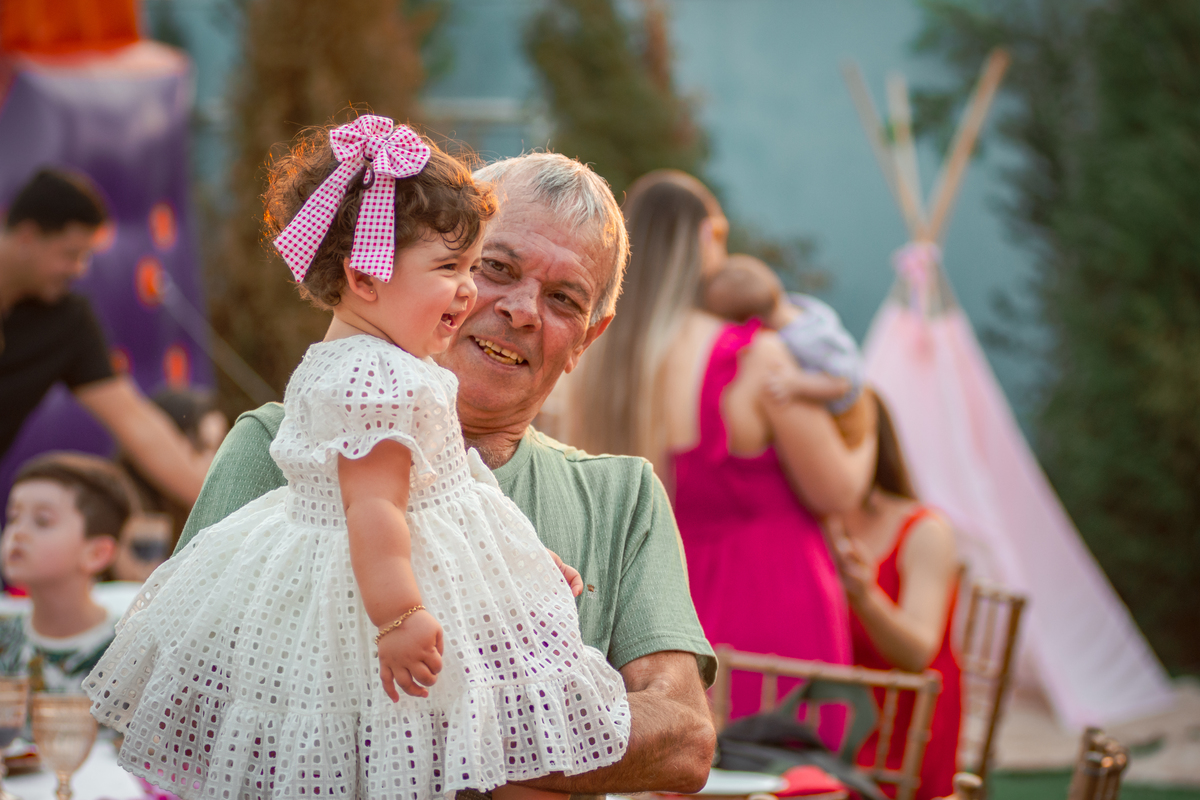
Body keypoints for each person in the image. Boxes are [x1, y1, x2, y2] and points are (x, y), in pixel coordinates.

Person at [85, 118, 632, 800]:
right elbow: (375, 508)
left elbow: (453, 491)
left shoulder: (363, 363)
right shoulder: (380, 381)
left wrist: (517, 560)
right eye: (454, 269)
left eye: (471, 267)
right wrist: (401, 618)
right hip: (368, 591)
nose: (469, 293)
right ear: (366, 277)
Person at [173, 150, 716, 798]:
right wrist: (542, 740)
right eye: (493, 267)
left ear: (587, 341)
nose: (522, 309)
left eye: (564, 298)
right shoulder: (284, 449)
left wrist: (437, 738)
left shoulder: (620, 495)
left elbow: (684, 738)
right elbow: (193, 709)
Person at [565, 170, 876, 741]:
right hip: (772, 610)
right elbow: (836, 491)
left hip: (651, 619)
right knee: (782, 769)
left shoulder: (596, 365)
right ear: (709, 237)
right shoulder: (755, 356)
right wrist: (870, 425)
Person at [0, 168, 214, 506]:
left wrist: (223, 507)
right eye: (70, 254)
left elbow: (135, 422)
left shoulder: (67, 321)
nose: (80, 269)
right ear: (27, 236)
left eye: (86, 256)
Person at [825, 394, 961, 800]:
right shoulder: (804, 528)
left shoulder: (925, 530)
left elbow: (919, 652)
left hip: (904, 732)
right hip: (833, 718)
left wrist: (864, 595)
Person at [704, 253, 874, 447]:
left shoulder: (804, 340)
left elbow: (841, 383)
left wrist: (795, 383)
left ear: (751, 321)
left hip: (847, 413)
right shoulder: (801, 305)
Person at [0, 451, 135, 692]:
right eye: (13, 518)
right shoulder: (4, 637)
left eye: (42, 521)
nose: (17, 532)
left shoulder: (129, 652)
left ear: (97, 553)